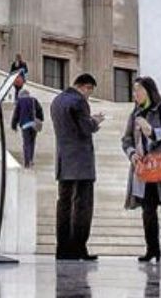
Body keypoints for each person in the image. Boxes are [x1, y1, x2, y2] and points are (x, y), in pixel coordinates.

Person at [121, 75, 161, 264]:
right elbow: (126, 139)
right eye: (133, 90)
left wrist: (153, 131)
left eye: (138, 90)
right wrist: (132, 153)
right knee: (148, 213)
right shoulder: (135, 114)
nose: (135, 94)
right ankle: (152, 251)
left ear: (148, 90)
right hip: (143, 170)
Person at [51, 72, 104, 261]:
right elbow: (85, 128)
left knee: (63, 204)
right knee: (82, 205)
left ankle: (63, 248)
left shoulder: (57, 101)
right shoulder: (79, 102)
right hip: (81, 162)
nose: (88, 95)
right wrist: (95, 122)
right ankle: (78, 248)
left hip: (63, 161)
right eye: (89, 91)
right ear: (86, 87)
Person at [11, 80, 45, 166]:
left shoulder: (20, 102)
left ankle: (27, 162)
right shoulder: (34, 100)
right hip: (34, 125)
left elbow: (16, 114)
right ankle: (31, 159)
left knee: (26, 143)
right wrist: (40, 119)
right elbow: (40, 110)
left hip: (25, 125)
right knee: (32, 142)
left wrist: (14, 125)